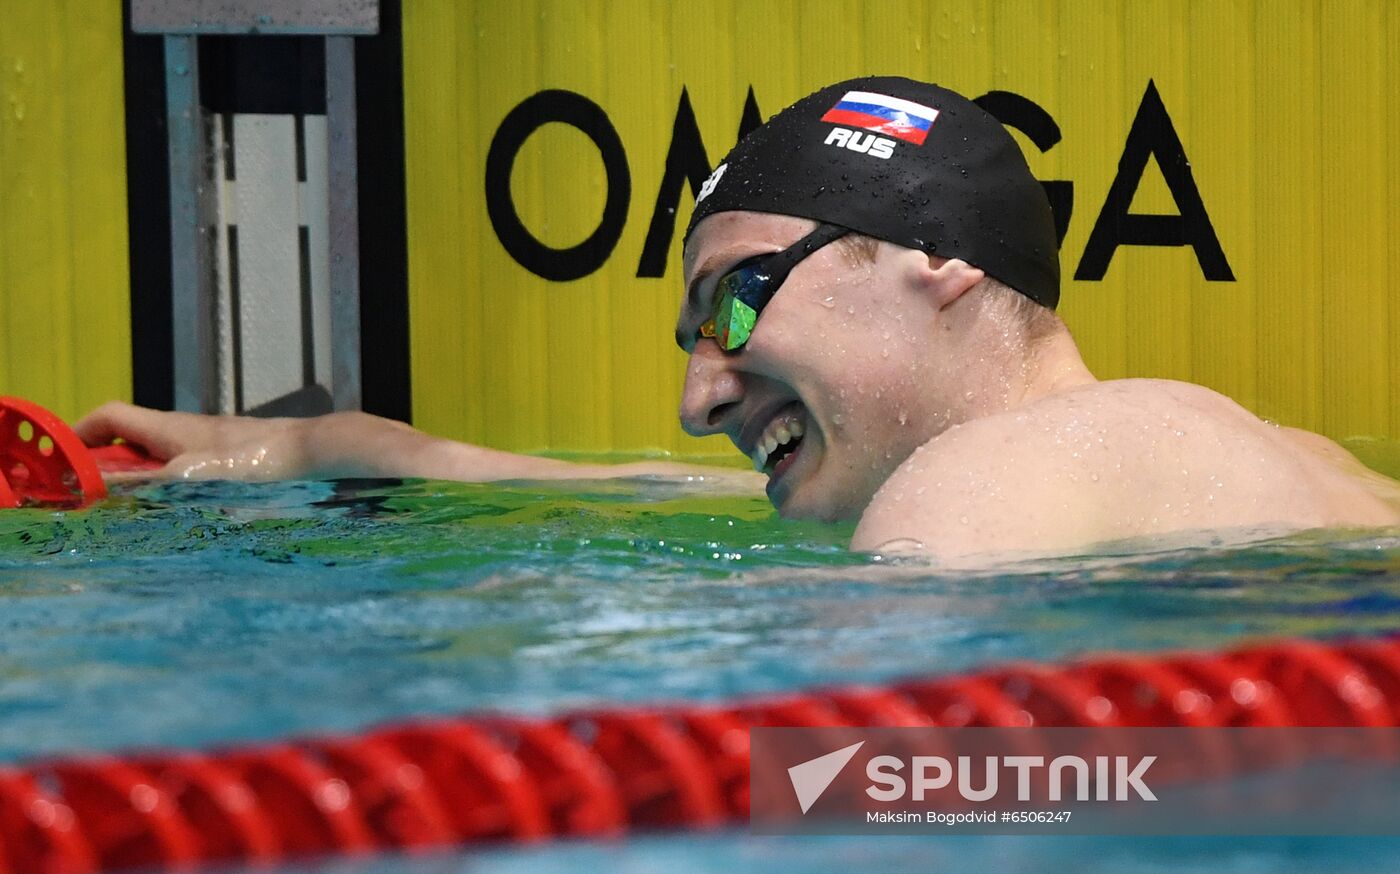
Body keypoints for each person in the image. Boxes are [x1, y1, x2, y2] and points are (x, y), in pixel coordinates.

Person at [78, 77, 1400, 565]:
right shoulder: (1196, 457)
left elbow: (850, 794)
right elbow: (647, 486)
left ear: (935, 257)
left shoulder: (1000, 478)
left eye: (739, 301)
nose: (700, 401)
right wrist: (325, 449)